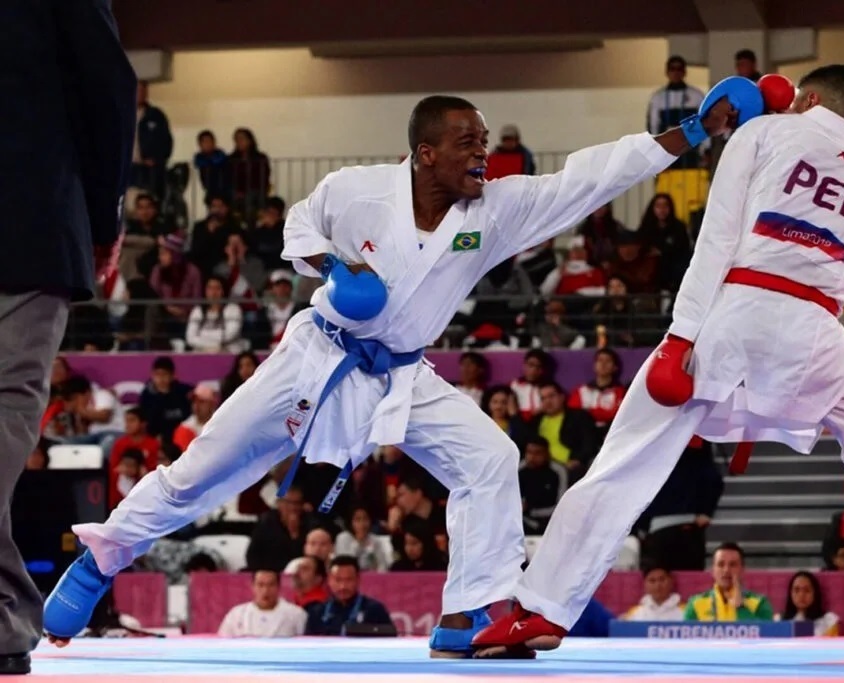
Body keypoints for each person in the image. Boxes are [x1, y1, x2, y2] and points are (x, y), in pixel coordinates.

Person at [44, 81, 756, 658]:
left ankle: (466, 611)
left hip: (401, 376)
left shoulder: (495, 210)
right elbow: (300, 223)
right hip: (317, 358)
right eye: (468, 142)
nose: (483, 152)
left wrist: (692, 132)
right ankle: (100, 556)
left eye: (484, 140)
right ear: (425, 153)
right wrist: (336, 266)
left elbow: (589, 177)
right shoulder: (358, 190)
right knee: (201, 475)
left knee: (488, 457)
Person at [473, 65, 844, 654]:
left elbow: (716, 240)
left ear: (807, 97)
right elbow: (839, 274)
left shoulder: (765, 134)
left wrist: (680, 338)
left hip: (733, 318)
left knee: (622, 466)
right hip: (816, 330)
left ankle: (540, 612)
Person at [0, 0, 135, 674]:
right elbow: (106, 90)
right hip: (31, 218)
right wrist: (105, 214)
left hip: (28, 226)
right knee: (6, 402)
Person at [217, 569, 307, 638]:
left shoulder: (296, 614)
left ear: (279, 586)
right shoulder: (236, 614)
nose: (265, 591)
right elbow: (223, 642)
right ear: (252, 586)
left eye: (271, 585)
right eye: (260, 585)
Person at [779, 571, 839, 636]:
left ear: (815, 593)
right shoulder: (780, 620)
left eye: (807, 590)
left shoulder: (829, 620)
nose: (801, 595)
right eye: (796, 590)